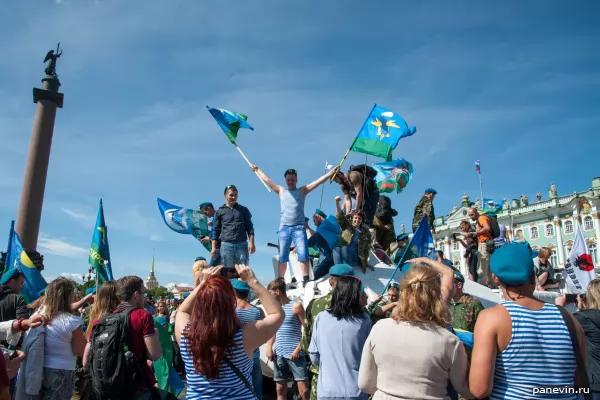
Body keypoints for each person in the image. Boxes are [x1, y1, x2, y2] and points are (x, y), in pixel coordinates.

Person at [469, 243, 585, 399]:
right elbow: (579, 384)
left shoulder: (491, 318)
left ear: (495, 279)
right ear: (532, 275)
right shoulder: (568, 318)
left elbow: (479, 390)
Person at [358, 257, 471, 399]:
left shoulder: (379, 328)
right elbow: (465, 388)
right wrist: (427, 261)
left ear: (403, 292)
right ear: (436, 295)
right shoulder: (450, 341)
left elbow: (365, 384)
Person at [175, 265, 284, 399]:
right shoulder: (243, 337)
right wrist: (252, 281)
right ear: (231, 302)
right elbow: (277, 313)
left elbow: (183, 311)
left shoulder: (187, 336)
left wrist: (203, 284)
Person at [251, 165, 339, 286]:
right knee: (283, 256)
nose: (291, 182)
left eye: (293, 180)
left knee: (303, 255)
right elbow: (267, 179)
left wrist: (330, 173)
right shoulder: (281, 191)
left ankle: (306, 280)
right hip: (284, 228)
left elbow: (318, 182)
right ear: (285, 180)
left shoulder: (302, 191)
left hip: (298, 228)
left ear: (296, 180)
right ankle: (281, 281)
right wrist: (257, 170)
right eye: (288, 180)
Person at [20, 277, 86, 399]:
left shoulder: (37, 316)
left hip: (37, 367)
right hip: (62, 369)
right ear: (68, 296)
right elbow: (79, 350)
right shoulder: (72, 321)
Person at [308, 276, 371, 399]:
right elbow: (368, 356)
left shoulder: (321, 318)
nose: (366, 296)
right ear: (354, 295)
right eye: (362, 292)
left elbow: (314, 357)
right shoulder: (364, 320)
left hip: (327, 391)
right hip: (356, 391)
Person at [300, 264, 355, 400]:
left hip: (323, 378)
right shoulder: (360, 310)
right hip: (353, 381)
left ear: (331, 281)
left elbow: (307, 341)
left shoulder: (315, 305)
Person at [555, 278, 600, 399]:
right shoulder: (588, 317)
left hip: (594, 385)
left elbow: (558, 322)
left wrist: (559, 306)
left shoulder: (587, 318)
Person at [266, 278, 309, 400]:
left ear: (277, 291)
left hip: (295, 353)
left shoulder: (296, 306)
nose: (268, 296)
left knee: (304, 391)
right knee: (280, 389)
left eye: (270, 293)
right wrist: (269, 347)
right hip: (278, 353)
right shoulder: (274, 309)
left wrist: (298, 349)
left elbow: (306, 330)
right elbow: (273, 330)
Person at [211, 185, 255, 274]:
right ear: (225, 195)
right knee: (227, 272)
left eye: (235, 195)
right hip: (226, 245)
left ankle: (242, 287)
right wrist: (213, 247)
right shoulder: (219, 211)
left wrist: (252, 242)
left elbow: (249, 227)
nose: (233, 197)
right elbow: (215, 230)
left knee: (244, 271)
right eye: (231, 195)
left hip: (242, 245)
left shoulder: (244, 210)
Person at [233, 278, 265, 399]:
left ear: (234, 292)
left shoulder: (230, 312)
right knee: (256, 387)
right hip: (254, 353)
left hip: (235, 355)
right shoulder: (258, 311)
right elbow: (264, 333)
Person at [335, 196, 372, 274]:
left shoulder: (366, 232)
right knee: (337, 248)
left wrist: (365, 263)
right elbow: (340, 216)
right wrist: (337, 202)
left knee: (345, 248)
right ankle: (338, 271)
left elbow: (366, 249)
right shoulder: (347, 225)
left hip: (355, 256)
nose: (357, 220)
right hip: (343, 253)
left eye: (359, 218)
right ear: (352, 218)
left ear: (362, 221)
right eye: (355, 218)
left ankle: (348, 272)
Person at [305, 209, 335, 281]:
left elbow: (312, 240)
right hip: (328, 258)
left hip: (326, 259)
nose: (314, 224)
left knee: (312, 277)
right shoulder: (328, 227)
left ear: (319, 217)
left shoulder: (322, 229)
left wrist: (299, 247)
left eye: (314, 221)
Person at [467, 207, 493, 287]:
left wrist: (477, 233)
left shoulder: (481, 218)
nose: (471, 217)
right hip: (489, 243)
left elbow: (487, 228)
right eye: (469, 215)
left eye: (472, 214)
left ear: (476, 212)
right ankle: (492, 285)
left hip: (484, 244)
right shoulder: (483, 218)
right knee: (488, 266)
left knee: (481, 265)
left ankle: (481, 285)